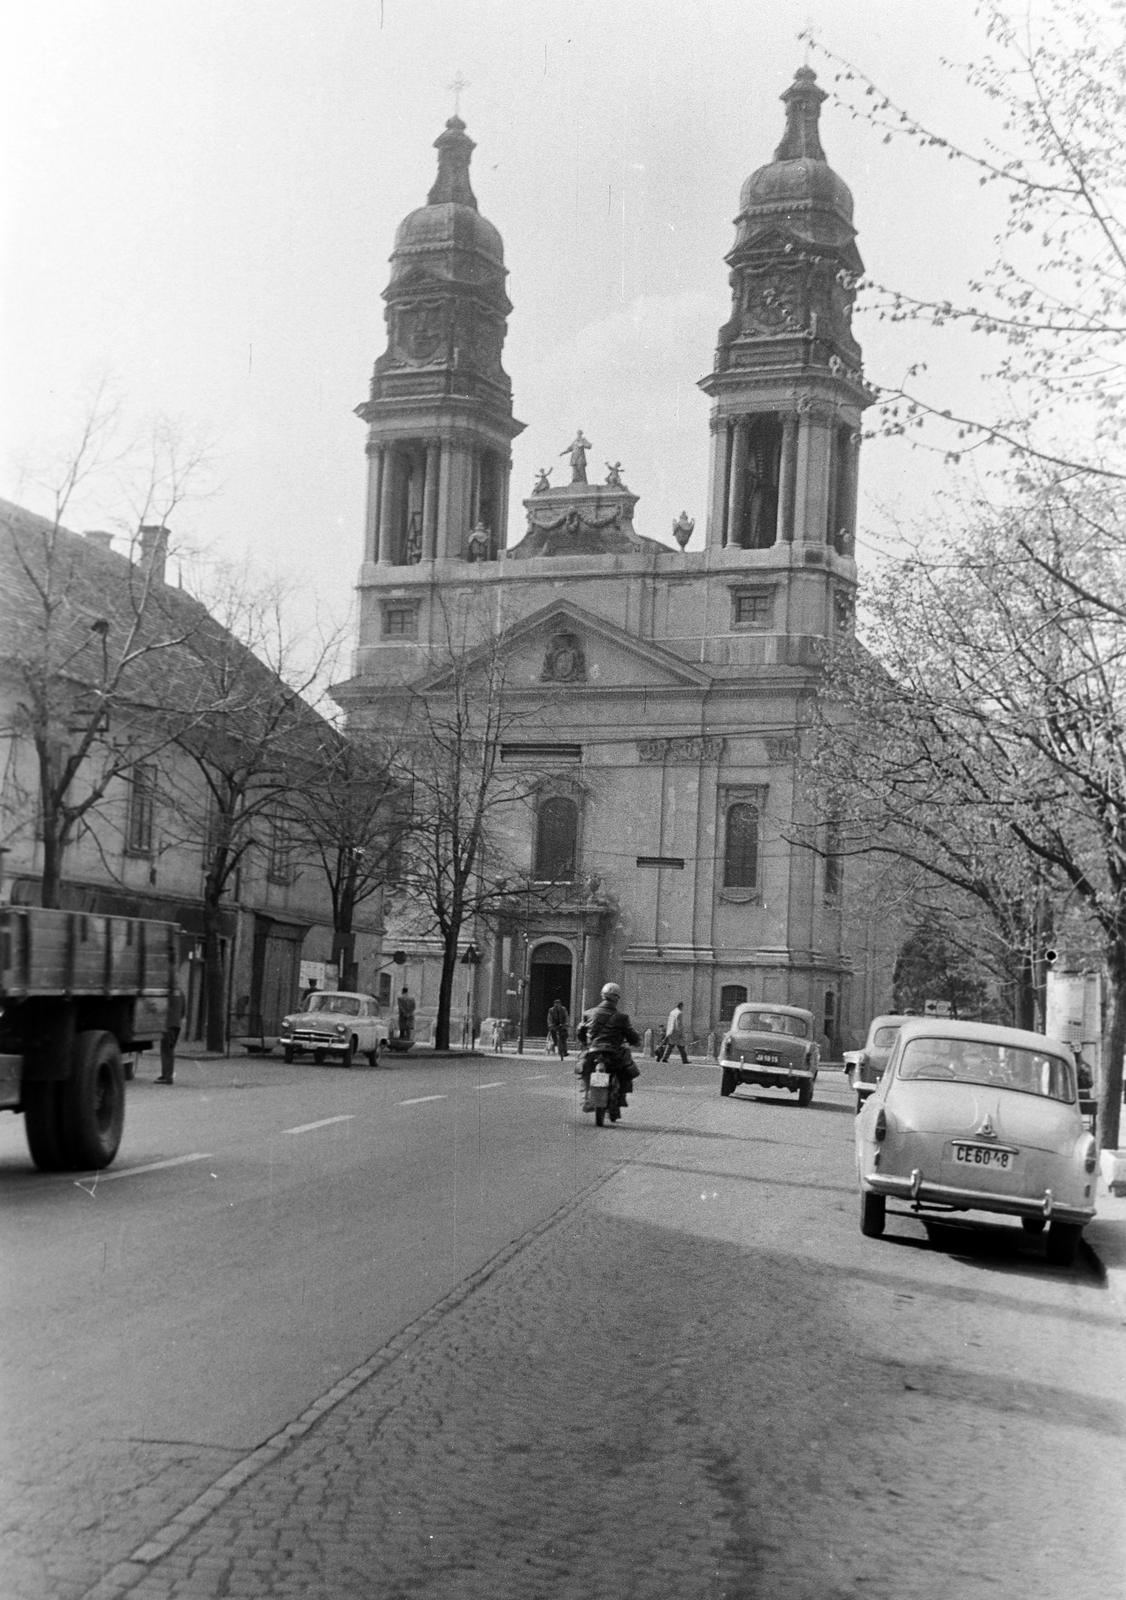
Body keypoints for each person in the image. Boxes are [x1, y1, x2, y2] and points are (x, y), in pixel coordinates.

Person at [576, 982, 640, 1112]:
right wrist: (635, 1041)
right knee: (627, 1068)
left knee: (584, 1068)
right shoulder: (622, 1017)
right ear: (616, 998)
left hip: (593, 1051)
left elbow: (580, 1032)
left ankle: (586, 1097)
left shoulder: (588, 1013)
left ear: (602, 996)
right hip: (613, 1052)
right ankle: (621, 1096)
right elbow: (631, 1035)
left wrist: (585, 1042)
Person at [158, 985, 186, 1084]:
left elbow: (162, 1007)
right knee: (169, 1049)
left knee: (166, 1050)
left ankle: (167, 1077)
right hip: (176, 1025)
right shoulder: (181, 992)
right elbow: (183, 1010)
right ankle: (165, 1074)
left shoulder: (167, 992)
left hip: (168, 1024)